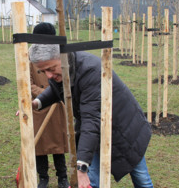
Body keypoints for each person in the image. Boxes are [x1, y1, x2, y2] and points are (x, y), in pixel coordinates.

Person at [30, 44, 153, 188]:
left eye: (51, 69)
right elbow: (56, 88)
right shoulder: (63, 69)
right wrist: (36, 103)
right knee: (90, 180)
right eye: (43, 71)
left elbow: (91, 119)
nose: (49, 76)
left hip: (124, 128)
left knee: (141, 177)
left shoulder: (91, 71)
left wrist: (81, 167)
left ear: (62, 58)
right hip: (94, 130)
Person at [30, 23, 70, 188]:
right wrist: (44, 95)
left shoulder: (59, 56)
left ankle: (62, 177)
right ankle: (43, 178)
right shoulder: (29, 57)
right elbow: (26, 82)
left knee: (58, 144)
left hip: (57, 107)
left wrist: (56, 93)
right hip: (38, 107)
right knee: (40, 145)